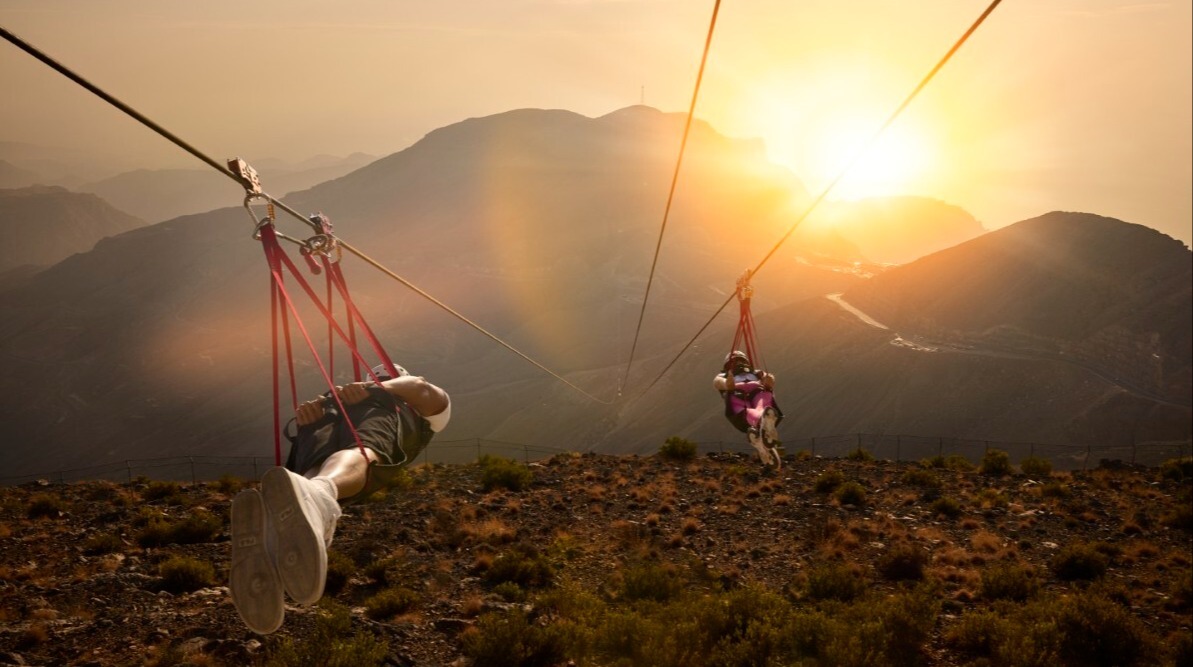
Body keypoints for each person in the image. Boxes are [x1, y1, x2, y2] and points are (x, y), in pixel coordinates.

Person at [229, 363, 451, 634]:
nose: (380, 381)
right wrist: (312, 415)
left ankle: (315, 502)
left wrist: (373, 389)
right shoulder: (349, 396)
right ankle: (305, 513)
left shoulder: (419, 404)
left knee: (361, 450)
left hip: (379, 416)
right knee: (318, 468)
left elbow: (418, 388)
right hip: (335, 421)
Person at [713, 350, 782, 467]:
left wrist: (769, 381)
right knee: (748, 411)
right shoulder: (724, 375)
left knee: (762, 402)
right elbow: (717, 382)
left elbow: (767, 378)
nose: (738, 363)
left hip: (757, 392)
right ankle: (763, 423)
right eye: (734, 361)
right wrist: (726, 383)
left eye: (740, 360)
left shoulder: (757, 373)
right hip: (737, 395)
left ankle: (763, 427)